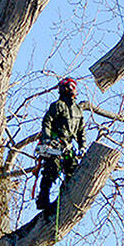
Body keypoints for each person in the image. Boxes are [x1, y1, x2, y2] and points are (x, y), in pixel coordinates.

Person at [36, 77, 85, 210]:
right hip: (55, 143)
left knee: (74, 171)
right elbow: (47, 122)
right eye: (67, 87)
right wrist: (47, 140)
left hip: (68, 146)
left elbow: (81, 131)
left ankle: (67, 196)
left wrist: (82, 146)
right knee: (52, 167)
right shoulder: (58, 105)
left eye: (72, 87)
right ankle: (43, 197)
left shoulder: (78, 110)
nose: (70, 89)